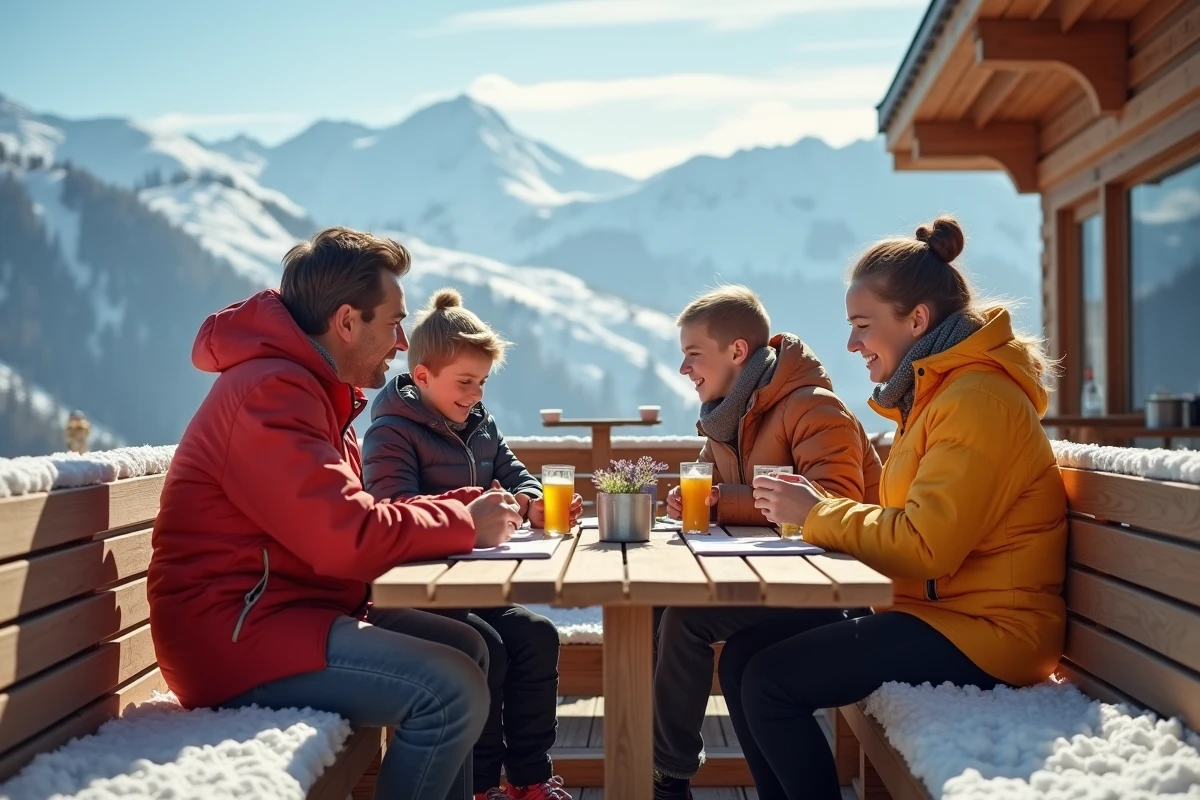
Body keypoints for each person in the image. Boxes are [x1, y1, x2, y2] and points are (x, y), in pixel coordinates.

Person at [147, 227, 526, 800]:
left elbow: (357, 513)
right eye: (394, 322)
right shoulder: (272, 394)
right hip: (233, 639)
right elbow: (346, 537)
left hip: (288, 614)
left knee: (466, 647)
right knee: (449, 691)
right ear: (347, 321)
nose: (402, 342)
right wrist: (463, 523)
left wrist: (461, 506)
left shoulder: (311, 389)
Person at [726, 216, 1067, 800]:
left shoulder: (977, 400)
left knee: (769, 681)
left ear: (917, 320)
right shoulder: (935, 395)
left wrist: (817, 512)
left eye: (863, 327)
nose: (852, 345)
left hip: (992, 635)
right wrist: (816, 514)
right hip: (936, 614)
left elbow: (926, 545)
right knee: (743, 656)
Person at [653, 285, 882, 800]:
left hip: (836, 592)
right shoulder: (727, 417)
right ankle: (661, 767)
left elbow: (836, 502)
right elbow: (716, 491)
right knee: (658, 610)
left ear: (737, 351)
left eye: (693, 354)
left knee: (687, 620)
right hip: (775, 581)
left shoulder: (813, 407)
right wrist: (694, 501)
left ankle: (667, 779)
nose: (684, 369)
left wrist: (723, 501)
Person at [362, 288, 583, 800]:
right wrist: (471, 511)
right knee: (490, 651)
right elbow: (393, 507)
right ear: (422, 377)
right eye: (465, 382)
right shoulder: (391, 433)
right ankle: (481, 785)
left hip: (475, 588)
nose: (476, 393)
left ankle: (529, 778)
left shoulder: (482, 425)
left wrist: (532, 503)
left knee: (538, 636)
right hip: (421, 599)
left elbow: (517, 475)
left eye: (482, 382)